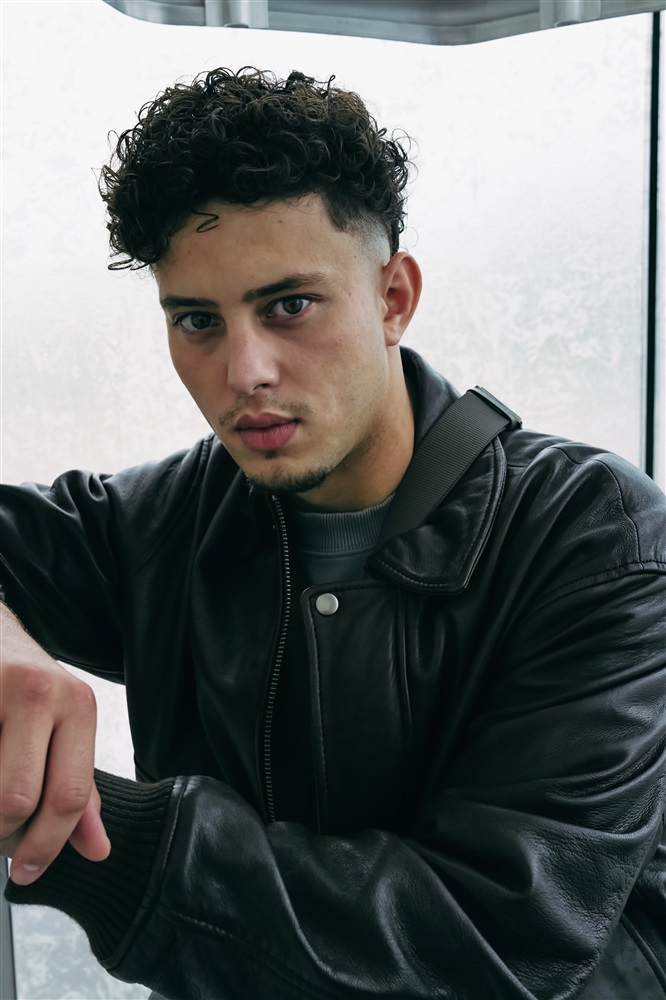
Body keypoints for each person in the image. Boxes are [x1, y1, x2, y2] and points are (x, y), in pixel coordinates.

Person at [1, 67, 664, 1000]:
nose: (245, 371)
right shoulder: (161, 524)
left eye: (289, 306)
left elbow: (491, 939)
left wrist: (92, 832)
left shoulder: (596, 536)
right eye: (197, 321)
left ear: (393, 298)